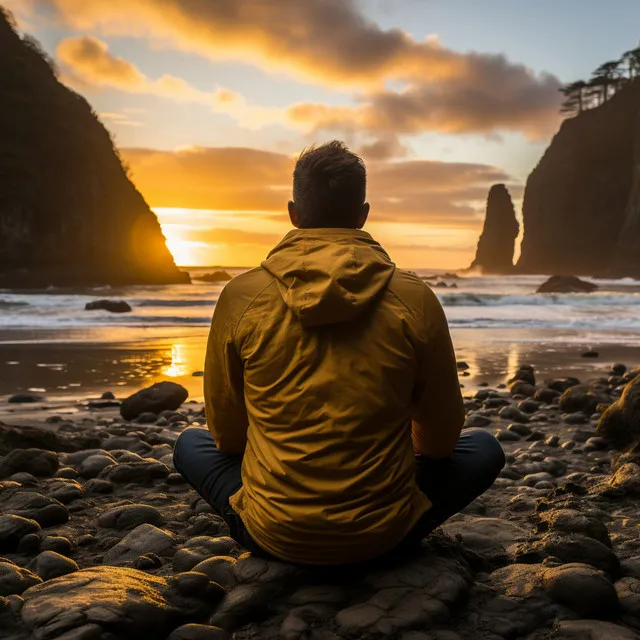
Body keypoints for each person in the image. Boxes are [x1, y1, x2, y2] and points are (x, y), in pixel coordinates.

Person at [173, 140, 505, 566]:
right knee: (484, 449)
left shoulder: (241, 297)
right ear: (363, 214)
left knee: (190, 444)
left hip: (273, 536)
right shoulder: (414, 298)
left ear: (293, 213)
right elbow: (440, 444)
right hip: (386, 537)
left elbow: (227, 437)